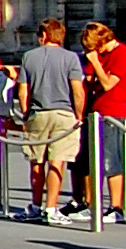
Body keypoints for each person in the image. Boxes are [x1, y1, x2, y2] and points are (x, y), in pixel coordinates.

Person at [19, 18, 85, 225]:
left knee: (37, 162)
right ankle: (51, 208)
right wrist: (79, 114)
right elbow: (77, 90)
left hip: (38, 113)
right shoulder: (71, 58)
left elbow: (23, 90)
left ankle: (36, 205)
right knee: (58, 162)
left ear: (44, 35)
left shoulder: (29, 57)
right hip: (64, 114)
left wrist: (25, 112)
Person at [73, 22, 126, 224]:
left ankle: (116, 207)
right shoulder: (96, 55)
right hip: (94, 111)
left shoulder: (122, 54)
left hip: (113, 112)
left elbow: (108, 84)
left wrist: (97, 65)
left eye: (92, 46)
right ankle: (91, 203)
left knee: (111, 160)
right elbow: (89, 78)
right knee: (88, 160)